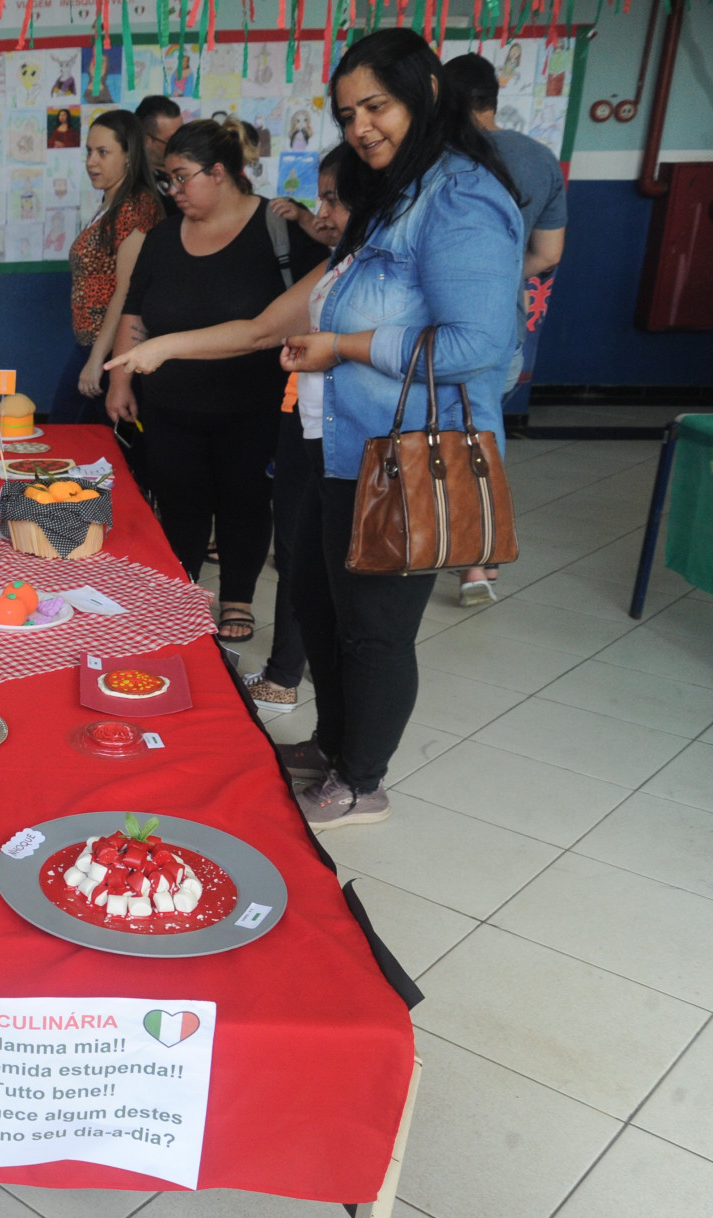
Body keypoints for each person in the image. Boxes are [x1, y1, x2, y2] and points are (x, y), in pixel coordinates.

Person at [274, 29, 522, 828]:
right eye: (347, 114)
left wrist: (342, 346)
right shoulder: (398, 193)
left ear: (423, 94)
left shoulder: (461, 199)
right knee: (324, 609)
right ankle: (330, 743)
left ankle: (360, 781)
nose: (359, 129)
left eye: (374, 106)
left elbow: (478, 345)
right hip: (344, 443)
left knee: (374, 630)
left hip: (408, 454)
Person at [107, 146, 353, 715]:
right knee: (184, 503)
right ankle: (184, 600)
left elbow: (263, 331)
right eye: (167, 180)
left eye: (183, 178)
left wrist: (168, 348)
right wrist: (128, 371)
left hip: (267, 406)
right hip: (182, 405)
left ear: (220, 172)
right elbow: (137, 310)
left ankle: (246, 614)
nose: (174, 190)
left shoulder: (284, 227)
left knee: (256, 510)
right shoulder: (165, 238)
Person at [442, 51, 567, 606]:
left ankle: (452, 546)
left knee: (432, 432)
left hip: (441, 325)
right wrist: (493, 277)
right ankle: (478, 562)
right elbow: (547, 252)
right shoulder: (540, 158)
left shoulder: (444, 156)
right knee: (483, 432)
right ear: (494, 98)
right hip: (502, 325)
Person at [50, 109, 165, 431]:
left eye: (103, 152)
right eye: (88, 151)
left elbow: (127, 291)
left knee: (70, 436)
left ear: (129, 156)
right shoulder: (110, 204)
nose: (91, 162)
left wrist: (96, 360)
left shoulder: (135, 207)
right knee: (78, 440)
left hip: (113, 349)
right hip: (94, 344)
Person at [135, 95, 184, 214]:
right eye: (172, 140)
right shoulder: (134, 187)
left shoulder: (193, 170)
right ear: (146, 141)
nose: (181, 143)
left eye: (182, 135)